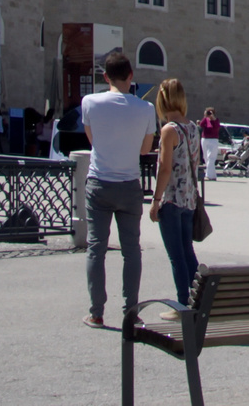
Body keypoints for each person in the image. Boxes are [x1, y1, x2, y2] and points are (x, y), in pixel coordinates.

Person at [81, 52, 157, 328]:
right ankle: (131, 311)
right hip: (129, 184)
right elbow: (146, 149)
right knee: (131, 250)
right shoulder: (146, 109)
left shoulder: (89, 102)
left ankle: (96, 312)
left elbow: (93, 140)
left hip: (99, 182)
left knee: (96, 248)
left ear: (105, 77)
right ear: (131, 76)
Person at [148, 79, 203, 319]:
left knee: (176, 255)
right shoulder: (193, 127)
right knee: (187, 251)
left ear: (161, 101)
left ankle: (182, 306)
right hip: (189, 199)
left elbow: (164, 168)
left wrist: (155, 199)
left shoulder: (169, 130)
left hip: (171, 200)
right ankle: (197, 300)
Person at [199, 107, 222, 182]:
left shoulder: (216, 120)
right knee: (206, 158)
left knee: (211, 158)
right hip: (205, 139)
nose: (209, 114)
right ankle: (213, 175)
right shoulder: (205, 120)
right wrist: (205, 116)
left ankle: (208, 175)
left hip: (213, 140)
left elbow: (217, 127)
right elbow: (201, 125)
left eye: (210, 112)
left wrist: (213, 118)